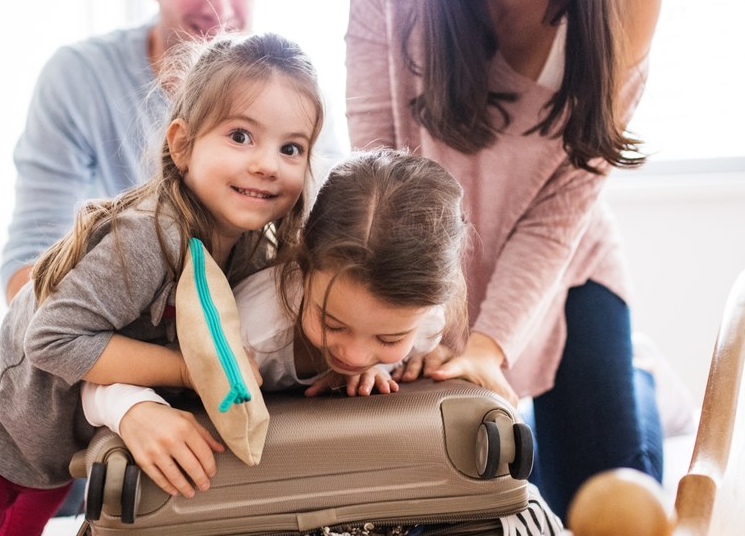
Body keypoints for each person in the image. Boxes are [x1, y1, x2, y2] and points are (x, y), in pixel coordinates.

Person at [0, 32, 324, 536]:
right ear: (183, 145)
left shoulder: (255, 246)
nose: (267, 164)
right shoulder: (150, 234)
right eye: (240, 136)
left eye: (291, 147)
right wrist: (189, 370)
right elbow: (52, 339)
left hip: (54, 451)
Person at [344, 0, 666, 520]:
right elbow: (377, 157)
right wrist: (414, 315)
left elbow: (559, 214)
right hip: (429, 260)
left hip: (565, 268)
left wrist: (488, 347)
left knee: (608, 497)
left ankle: (642, 378)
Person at [81, 148, 465, 495]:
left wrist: (393, 364)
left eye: (388, 337)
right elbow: (96, 376)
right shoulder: (252, 328)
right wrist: (132, 410)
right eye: (333, 324)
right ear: (302, 263)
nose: (355, 353)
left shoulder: (426, 321)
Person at [0, 0, 264, 304]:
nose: (219, 6)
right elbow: (29, 269)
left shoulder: (286, 87)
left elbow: (329, 224)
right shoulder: (78, 78)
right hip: (112, 330)